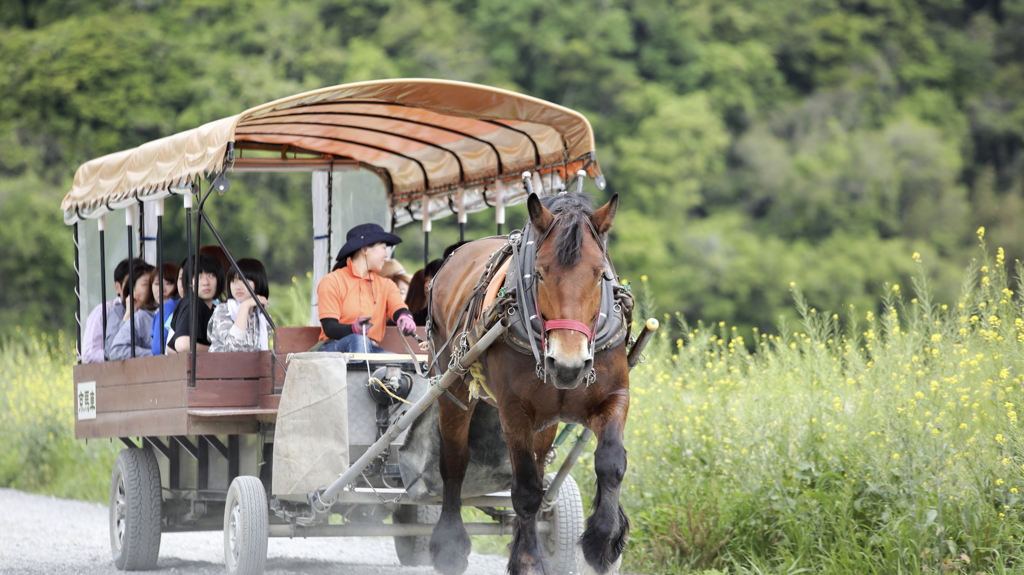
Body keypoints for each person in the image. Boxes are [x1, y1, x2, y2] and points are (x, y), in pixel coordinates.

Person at [317, 223, 417, 354]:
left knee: (398, 364)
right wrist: (352, 329)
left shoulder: (387, 285)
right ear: (364, 250)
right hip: (333, 348)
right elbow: (329, 328)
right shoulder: (332, 281)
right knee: (359, 341)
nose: (386, 255)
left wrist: (405, 317)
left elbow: (398, 308)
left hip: (370, 348)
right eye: (383, 248)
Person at [82, 258, 141, 363]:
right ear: (118, 287)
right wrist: (116, 354)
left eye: (142, 284)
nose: (137, 289)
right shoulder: (104, 311)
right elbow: (89, 353)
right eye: (132, 283)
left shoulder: (155, 309)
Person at [208, 258, 271, 353]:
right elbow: (234, 346)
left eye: (245, 281)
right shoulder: (223, 311)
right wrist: (245, 306)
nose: (238, 287)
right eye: (233, 281)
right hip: (221, 366)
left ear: (258, 283)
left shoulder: (263, 317)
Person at [167, 254, 224, 354]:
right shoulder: (192, 303)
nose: (205, 282)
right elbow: (183, 345)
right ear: (188, 281)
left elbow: (170, 348)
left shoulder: (213, 309)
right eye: (198, 276)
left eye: (211, 275)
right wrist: (220, 350)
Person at [107, 261, 157, 360]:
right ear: (132, 288)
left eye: (155, 283)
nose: (152, 288)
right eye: (146, 284)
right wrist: (128, 315)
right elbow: (112, 351)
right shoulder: (118, 312)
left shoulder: (159, 311)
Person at [149, 261, 181, 355]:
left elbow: (158, 349)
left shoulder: (168, 307)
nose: (162, 289)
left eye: (169, 283)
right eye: (157, 284)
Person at [407, 258, 444, 326]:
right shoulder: (419, 318)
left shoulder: (461, 317)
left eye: (432, 280)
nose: (426, 285)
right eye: (426, 280)